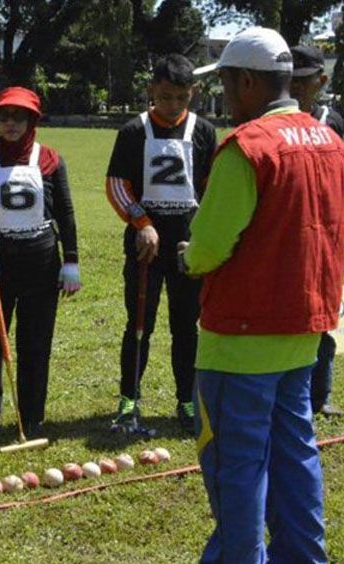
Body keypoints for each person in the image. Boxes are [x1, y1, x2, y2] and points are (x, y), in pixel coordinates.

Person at [184, 27, 344, 562]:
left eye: (228, 86)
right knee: (295, 458)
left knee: (238, 469)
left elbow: (207, 250)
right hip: (303, 332)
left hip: (240, 340)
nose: (225, 99)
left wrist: (189, 255)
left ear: (250, 82)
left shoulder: (246, 149)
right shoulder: (331, 142)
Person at [105, 54, 216, 435]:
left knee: (186, 327)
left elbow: (211, 190)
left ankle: (187, 400)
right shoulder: (134, 131)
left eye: (181, 98)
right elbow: (117, 185)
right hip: (144, 246)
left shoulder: (204, 131)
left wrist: (200, 234)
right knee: (139, 325)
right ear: (152, 90)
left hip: (187, 246)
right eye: (165, 97)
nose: (172, 106)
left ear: (193, 93)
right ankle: (128, 400)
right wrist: (142, 223)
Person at [0, 87, 80, 440]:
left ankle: (32, 414)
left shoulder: (51, 159)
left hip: (41, 260)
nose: (10, 124)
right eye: (4, 117)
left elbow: (66, 212)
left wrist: (71, 260)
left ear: (32, 120)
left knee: (36, 341)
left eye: (19, 117)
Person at [290, 43, 344, 418]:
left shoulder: (332, 121)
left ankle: (320, 395)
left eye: (303, 81)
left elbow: (340, 184)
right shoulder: (267, 120)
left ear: (321, 81)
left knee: (325, 315)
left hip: (327, 235)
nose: (294, 89)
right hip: (290, 233)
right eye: (288, 80)